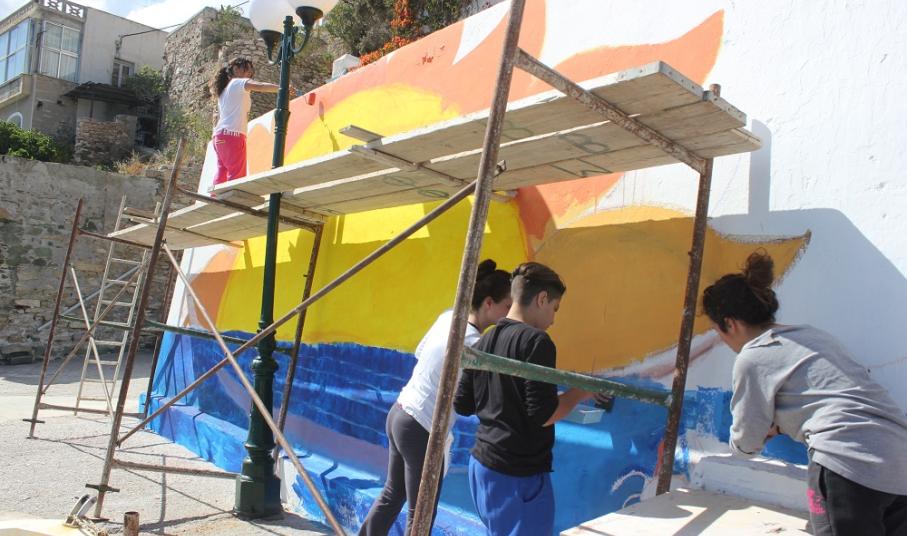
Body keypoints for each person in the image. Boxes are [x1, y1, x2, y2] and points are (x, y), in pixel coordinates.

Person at [702, 251, 907, 536]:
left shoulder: (753, 357)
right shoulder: (811, 336)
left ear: (730, 324)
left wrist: (758, 437)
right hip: (899, 457)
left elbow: (746, 442)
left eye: (718, 332)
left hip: (847, 461)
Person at [359, 259, 513, 535]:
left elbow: (421, 352)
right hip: (421, 426)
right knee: (422, 513)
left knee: (393, 493)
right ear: (489, 303)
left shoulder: (448, 317)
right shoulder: (473, 345)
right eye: (507, 306)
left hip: (401, 412)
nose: (509, 314)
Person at [453, 262, 599, 536]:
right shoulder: (537, 342)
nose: (553, 319)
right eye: (555, 308)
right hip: (516, 475)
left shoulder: (484, 341)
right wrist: (579, 392)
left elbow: (463, 403)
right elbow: (544, 414)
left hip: (482, 467)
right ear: (542, 299)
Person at [209, 57, 288, 188]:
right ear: (236, 69)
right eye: (247, 69)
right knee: (237, 174)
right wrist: (282, 88)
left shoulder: (224, 91)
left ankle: (214, 197)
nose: (250, 73)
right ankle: (233, 199)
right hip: (232, 136)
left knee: (222, 171)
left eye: (252, 71)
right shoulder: (237, 83)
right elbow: (260, 86)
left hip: (219, 137)